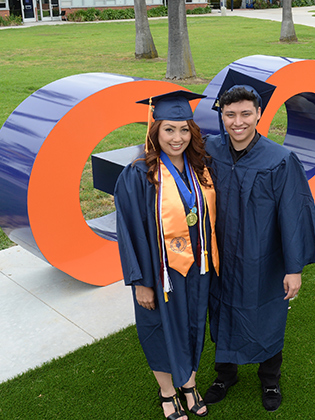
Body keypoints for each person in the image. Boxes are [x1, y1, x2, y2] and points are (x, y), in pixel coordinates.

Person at [202, 69, 315, 412]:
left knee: (267, 313)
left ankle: (270, 379)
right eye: (230, 114)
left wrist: (293, 267)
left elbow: (294, 214)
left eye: (245, 113)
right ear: (221, 115)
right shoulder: (209, 150)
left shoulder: (280, 160)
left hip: (263, 256)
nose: (237, 122)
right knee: (222, 310)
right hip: (220, 255)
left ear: (259, 114)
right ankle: (224, 374)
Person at [115, 90, 218, 420]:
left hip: (196, 267)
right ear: (155, 130)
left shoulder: (200, 168)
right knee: (159, 327)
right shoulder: (138, 174)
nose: (177, 138)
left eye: (184, 129)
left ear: (193, 131)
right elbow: (129, 231)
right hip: (159, 272)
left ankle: (188, 383)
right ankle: (167, 391)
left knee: (192, 324)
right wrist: (140, 282)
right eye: (169, 129)